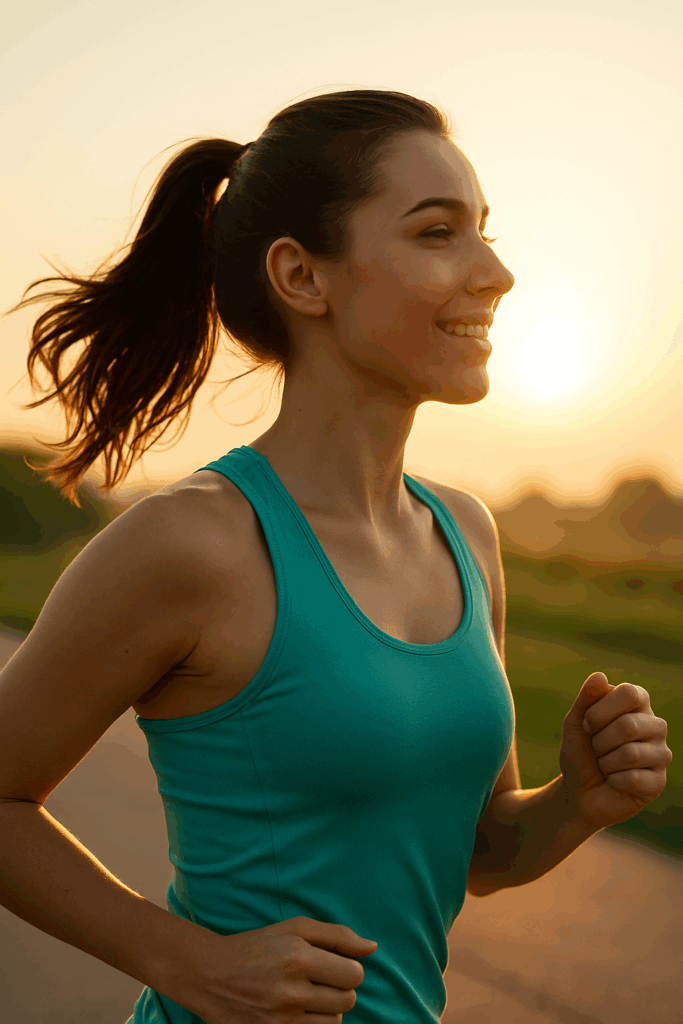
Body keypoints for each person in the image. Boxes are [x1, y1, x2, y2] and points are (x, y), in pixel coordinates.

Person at [0, 88, 672, 1024]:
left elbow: (475, 854)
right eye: (438, 233)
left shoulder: (466, 534)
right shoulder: (193, 542)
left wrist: (581, 801)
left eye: (484, 230)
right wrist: (183, 961)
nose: (497, 272)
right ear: (302, 277)